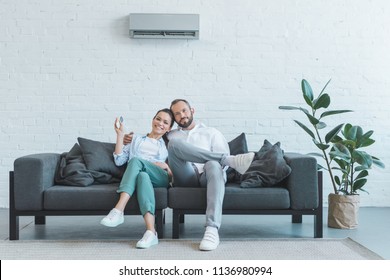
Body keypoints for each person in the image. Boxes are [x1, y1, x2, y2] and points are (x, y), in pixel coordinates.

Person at [124, 100, 254, 251]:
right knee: (174, 144)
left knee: (214, 164)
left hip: (209, 175)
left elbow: (221, 169)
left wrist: (215, 163)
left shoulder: (211, 132)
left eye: (184, 111)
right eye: (177, 114)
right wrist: (131, 139)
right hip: (185, 176)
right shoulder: (170, 135)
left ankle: (212, 230)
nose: (182, 115)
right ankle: (227, 158)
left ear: (192, 110)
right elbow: (153, 139)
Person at [100, 108, 174, 249]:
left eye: (165, 122)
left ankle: (119, 209)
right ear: (153, 119)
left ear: (169, 128)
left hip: (160, 176)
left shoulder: (169, 144)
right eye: (158, 119)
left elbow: (175, 169)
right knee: (141, 176)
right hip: (142, 173)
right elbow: (119, 160)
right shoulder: (136, 139)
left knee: (135, 161)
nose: (160, 123)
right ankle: (151, 231)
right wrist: (120, 136)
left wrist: (166, 166)